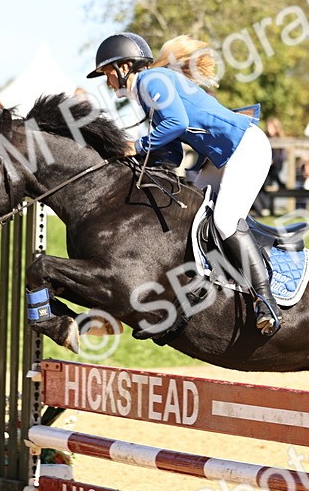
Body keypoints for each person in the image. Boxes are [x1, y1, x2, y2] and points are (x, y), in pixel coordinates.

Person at [88, 31, 281, 336]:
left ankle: (266, 300)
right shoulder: (147, 91)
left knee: (225, 220)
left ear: (124, 66)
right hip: (222, 157)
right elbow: (173, 151)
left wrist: (137, 146)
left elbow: (176, 123)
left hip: (245, 148)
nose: (107, 81)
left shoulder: (151, 81)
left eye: (107, 72)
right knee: (189, 215)